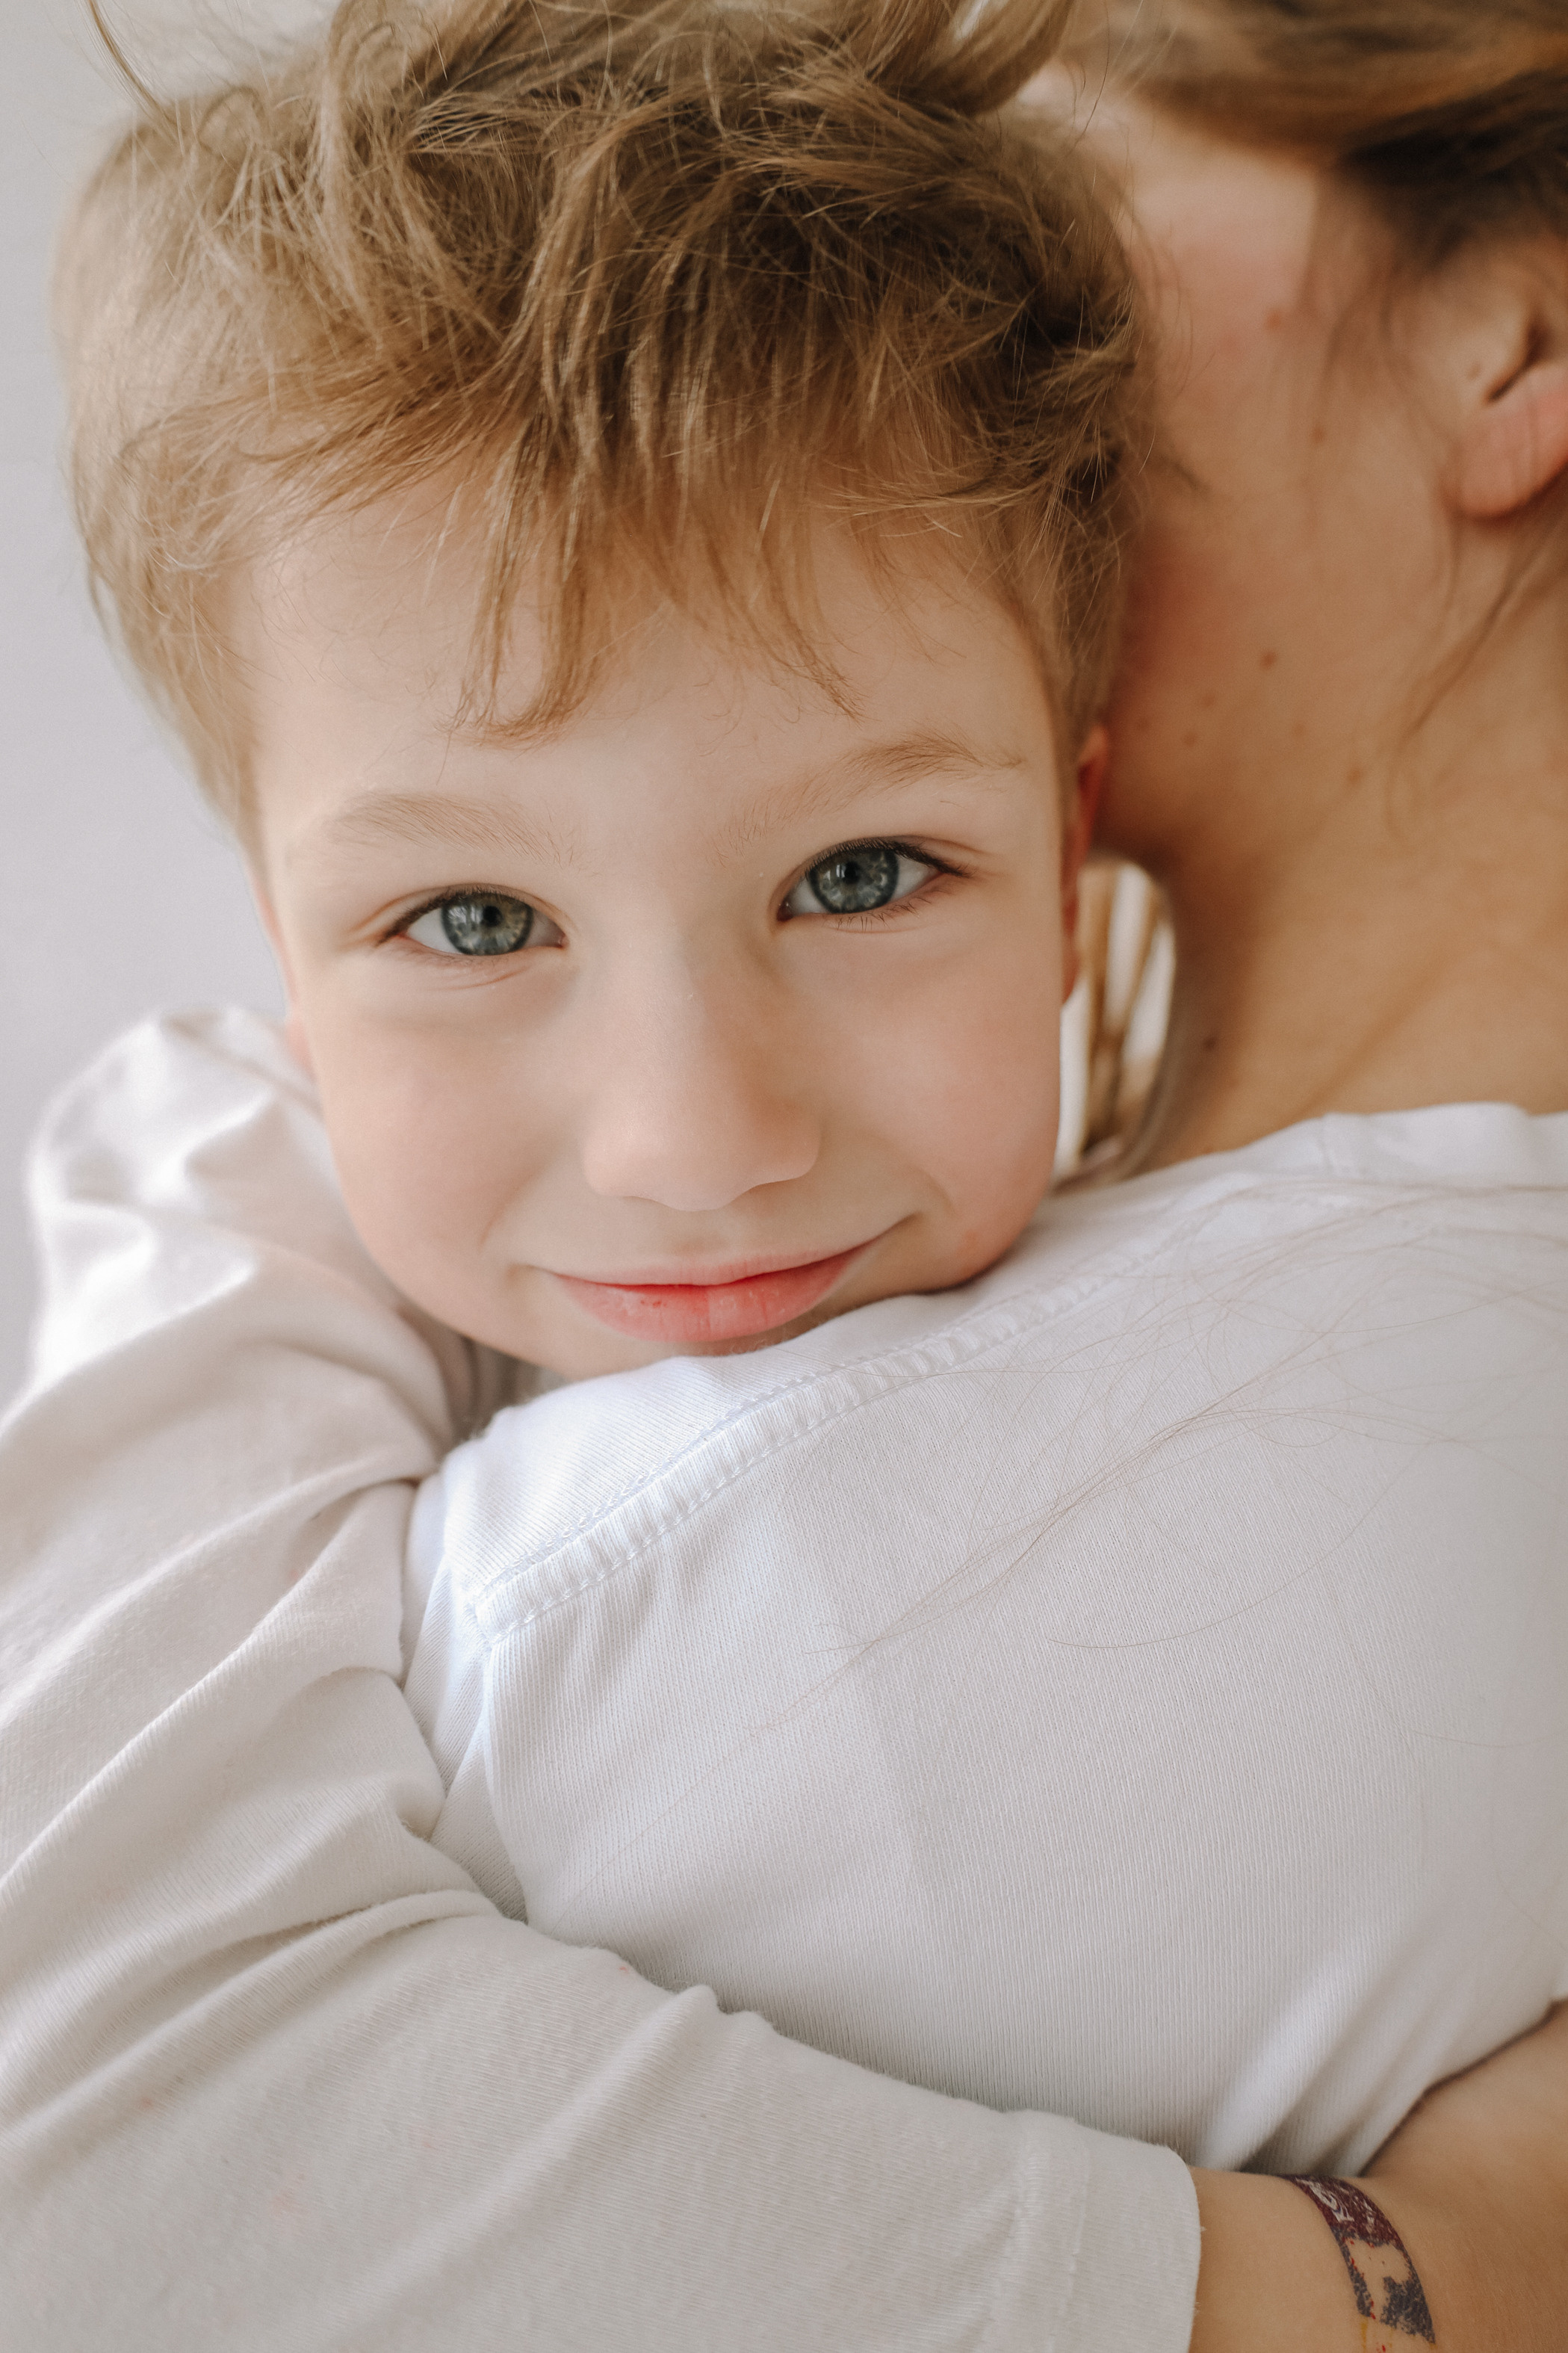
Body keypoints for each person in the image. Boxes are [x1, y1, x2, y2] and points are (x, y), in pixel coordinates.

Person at [1, 6, 1565, 2353]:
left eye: (858, 876)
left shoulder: (1228, 1464)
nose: (690, 1141)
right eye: (466, 921)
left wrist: (1385, 2299)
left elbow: (80, 2121)